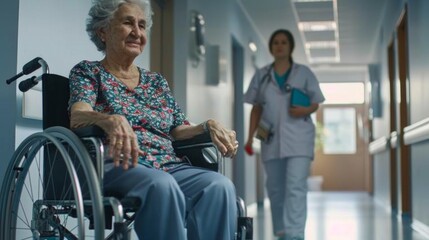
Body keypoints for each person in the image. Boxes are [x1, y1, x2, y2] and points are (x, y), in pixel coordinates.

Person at [68, 0, 238, 239]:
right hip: (119, 163)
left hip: (168, 165)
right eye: (128, 23)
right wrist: (109, 119)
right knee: (161, 185)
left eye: (142, 25)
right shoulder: (88, 72)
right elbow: (78, 115)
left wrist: (208, 125)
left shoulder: (156, 82)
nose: (137, 32)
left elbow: (178, 129)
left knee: (219, 186)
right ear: (103, 31)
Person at [244, 29, 325, 240]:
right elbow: (256, 108)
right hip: (270, 138)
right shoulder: (261, 75)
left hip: (299, 138)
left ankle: (295, 233)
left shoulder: (304, 73)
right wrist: (249, 138)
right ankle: (281, 229)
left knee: (296, 186)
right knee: (275, 187)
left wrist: (305, 110)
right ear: (271, 47)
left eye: (284, 42)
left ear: (290, 47)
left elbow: (316, 102)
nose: (279, 45)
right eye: (276, 42)